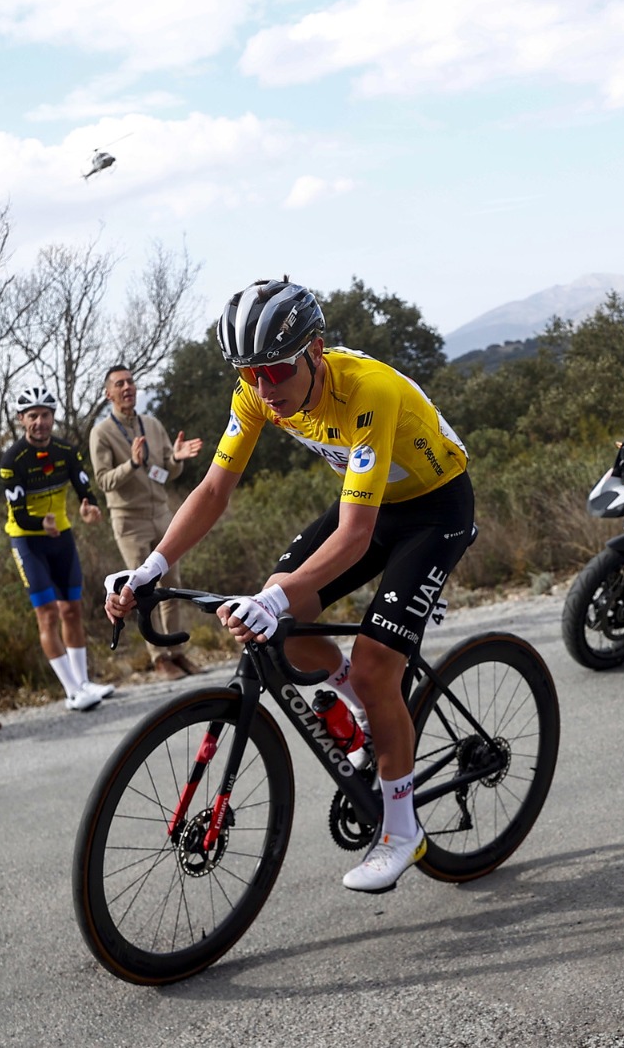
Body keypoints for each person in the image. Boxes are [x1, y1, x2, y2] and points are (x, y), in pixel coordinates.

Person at [105, 279, 475, 893]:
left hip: (435, 510)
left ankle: (403, 831)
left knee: (376, 662)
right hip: (377, 506)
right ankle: (358, 710)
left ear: (315, 350)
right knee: (285, 605)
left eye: (276, 371)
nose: (265, 390)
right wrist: (152, 567)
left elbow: (355, 535)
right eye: (250, 375)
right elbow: (213, 490)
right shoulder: (254, 393)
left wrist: (274, 600)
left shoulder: (368, 392)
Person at [1, 384, 114, 711]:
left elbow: (83, 485)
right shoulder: (13, 459)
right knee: (47, 613)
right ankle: (71, 692)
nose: (40, 422)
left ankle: (83, 682)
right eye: (33, 416)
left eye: (46, 415)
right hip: (28, 539)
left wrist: (89, 505)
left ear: (53, 417)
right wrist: (40, 525)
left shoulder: (65, 450)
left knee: (72, 609)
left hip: (61, 536)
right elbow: (19, 512)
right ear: (22, 419)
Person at [88, 364, 204, 680]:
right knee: (143, 590)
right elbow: (104, 481)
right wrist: (132, 464)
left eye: (130, 382)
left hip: (163, 514)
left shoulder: (151, 424)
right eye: (119, 384)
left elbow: (167, 470)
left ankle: (178, 653)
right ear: (108, 393)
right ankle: (158, 658)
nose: (127, 388)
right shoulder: (102, 432)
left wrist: (177, 459)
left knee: (172, 586)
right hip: (130, 521)